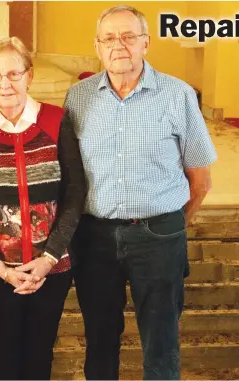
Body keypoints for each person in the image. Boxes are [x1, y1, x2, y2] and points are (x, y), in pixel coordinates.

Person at [64, 5, 217, 380]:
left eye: (129, 36)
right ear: (97, 47)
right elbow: (67, 173)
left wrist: (173, 225)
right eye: (110, 38)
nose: (120, 45)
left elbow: (200, 180)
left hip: (158, 235)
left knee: (161, 340)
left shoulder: (177, 95)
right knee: (99, 338)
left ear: (146, 43)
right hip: (94, 236)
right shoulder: (77, 98)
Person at [0, 36, 86, 380]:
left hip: (51, 269)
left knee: (39, 355)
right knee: (0, 357)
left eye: (14, 74)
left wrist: (48, 259)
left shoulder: (57, 122)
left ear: (30, 75)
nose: (5, 84)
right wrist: (1, 268)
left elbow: (75, 193)